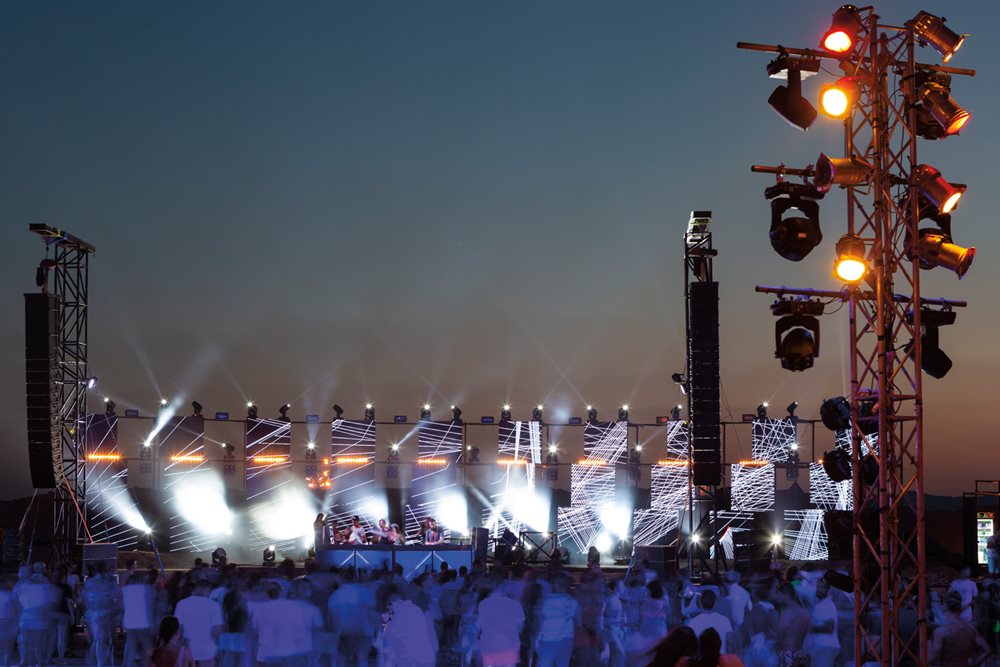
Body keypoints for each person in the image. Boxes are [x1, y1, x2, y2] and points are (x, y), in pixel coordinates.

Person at [929, 590, 990, 666]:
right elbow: (987, 650)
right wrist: (975, 663)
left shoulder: (940, 632)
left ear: (944, 606)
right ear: (960, 607)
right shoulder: (971, 628)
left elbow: (933, 656)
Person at [174, 579, 224, 667]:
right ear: (206, 589)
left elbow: (178, 628)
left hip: (187, 649)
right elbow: (217, 631)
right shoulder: (214, 605)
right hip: (207, 651)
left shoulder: (181, 604)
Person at [534, 576, 580, 667]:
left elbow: (538, 622)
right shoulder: (573, 601)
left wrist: (535, 640)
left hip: (547, 639)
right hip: (567, 640)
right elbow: (578, 622)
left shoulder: (545, 601)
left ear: (554, 585)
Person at [83, 561, 122, 667]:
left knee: (100, 640)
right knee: (105, 641)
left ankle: (101, 662)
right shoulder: (110, 581)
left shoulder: (91, 582)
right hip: (106, 614)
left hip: (96, 615)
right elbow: (117, 597)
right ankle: (103, 663)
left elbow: (86, 599)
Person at [477, 584, 526, 667]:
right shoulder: (515, 605)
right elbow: (520, 627)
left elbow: (480, 627)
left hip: (489, 645)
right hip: (509, 645)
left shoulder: (483, 604)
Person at [122, 570, 157, 667]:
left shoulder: (125, 590)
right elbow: (149, 607)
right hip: (143, 622)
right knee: (147, 649)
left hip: (130, 622)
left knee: (131, 647)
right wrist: (152, 623)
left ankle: (129, 664)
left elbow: (123, 606)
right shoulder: (147, 589)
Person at [773, 582, 810, 667]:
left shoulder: (788, 613)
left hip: (787, 654)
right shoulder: (805, 612)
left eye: (778, 594)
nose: (777, 597)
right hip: (800, 654)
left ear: (786, 595)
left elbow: (778, 634)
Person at [804, 577, 839, 667]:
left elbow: (829, 627)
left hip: (826, 646)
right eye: (818, 587)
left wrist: (810, 628)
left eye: (822, 587)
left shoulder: (827, 604)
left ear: (828, 589)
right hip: (821, 647)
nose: (819, 589)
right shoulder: (820, 604)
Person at [686, 589, 734, 655]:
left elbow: (691, 646)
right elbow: (730, 642)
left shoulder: (692, 622)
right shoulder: (724, 620)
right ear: (714, 603)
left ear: (700, 602)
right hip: (720, 661)